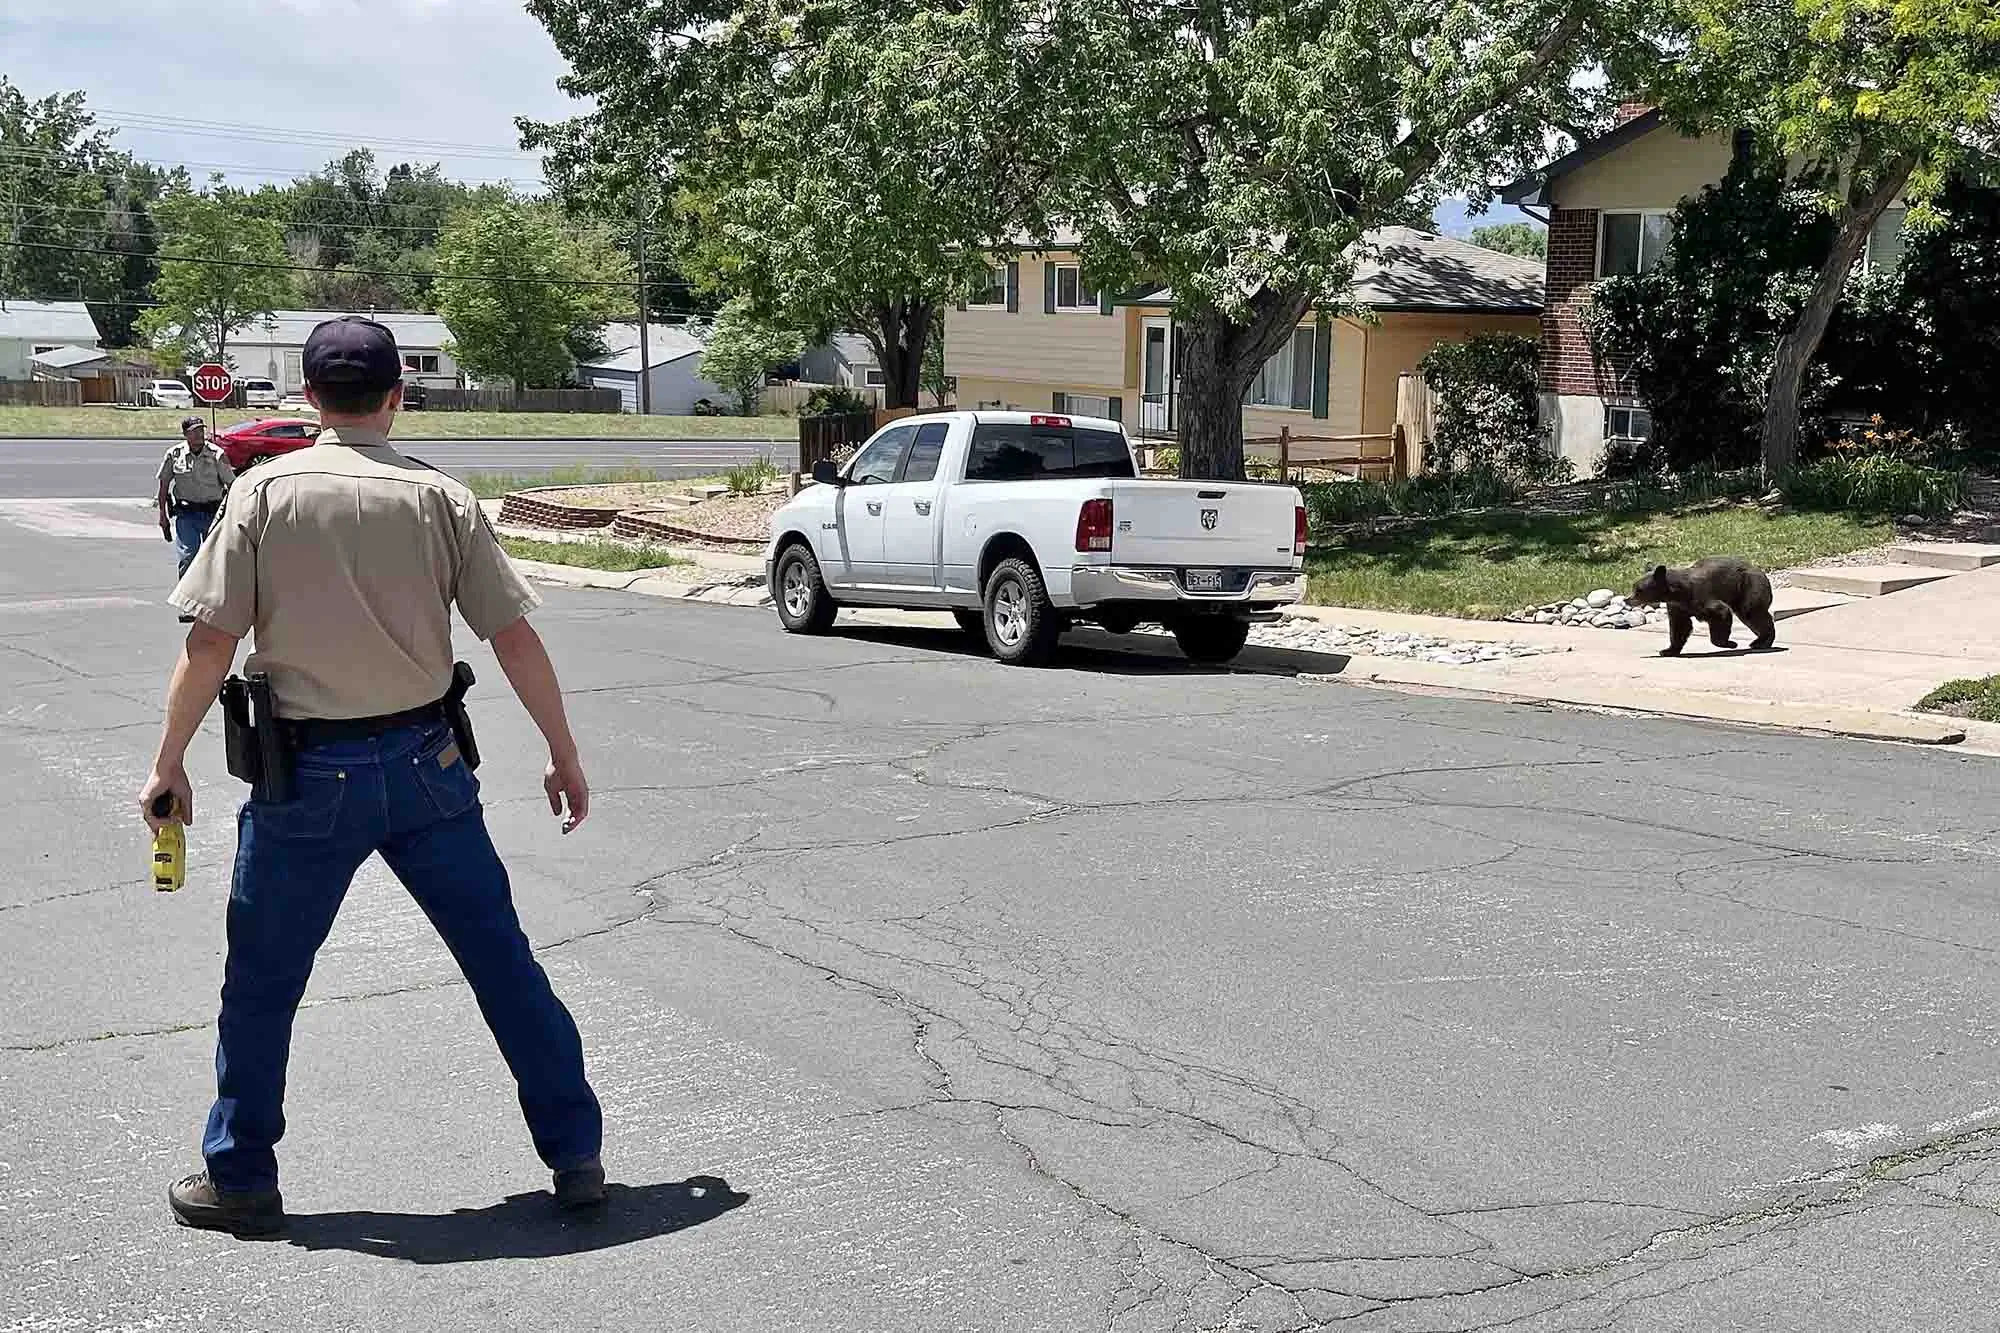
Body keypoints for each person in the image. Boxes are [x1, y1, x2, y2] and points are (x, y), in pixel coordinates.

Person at [137, 316, 605, 1238]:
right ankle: (575, 1155)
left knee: (263, 982)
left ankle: (241, 1178)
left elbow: (211, 640)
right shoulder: (440, 499)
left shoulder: (264, 494)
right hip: (428, 769)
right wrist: (563, 750)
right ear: (398, 395)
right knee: (502, 964)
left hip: (305, 777)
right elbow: (512, 634)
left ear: (309, 399)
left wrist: (168, 763)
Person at [156, 416, 235, 620]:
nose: (199, 434)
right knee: (187, 558)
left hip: (212, 514)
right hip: (186, 514)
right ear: (185, 434)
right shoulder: (174, 454)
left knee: (214, 559)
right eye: (194, 431)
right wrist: (162, 516)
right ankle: (189, 604)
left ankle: (214, 602)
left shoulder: (217, 454)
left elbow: (231, 485)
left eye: (201, 430)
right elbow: (164, 486)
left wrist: (233, 513)